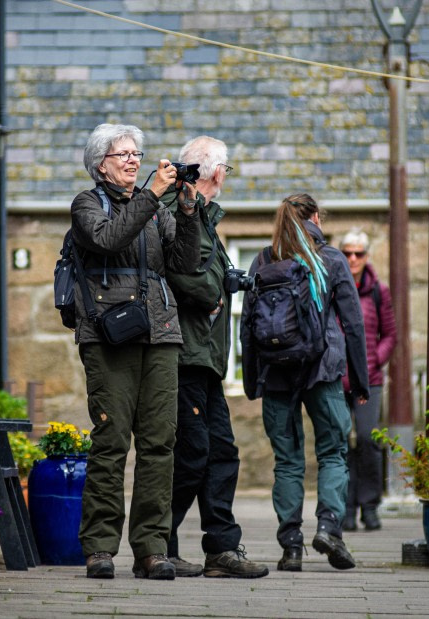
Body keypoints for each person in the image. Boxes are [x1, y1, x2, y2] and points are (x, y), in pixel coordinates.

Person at [71, 123, 201, 580]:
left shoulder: (155, 209)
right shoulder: (88, 204)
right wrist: (153, 196)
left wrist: (185, 209)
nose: (133, 160)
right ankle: (100, 548)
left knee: (160, 443)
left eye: (136, 153)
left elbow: (185, 264)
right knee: (110, 441)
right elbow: (108, 239)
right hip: (109, 334)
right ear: (100, 164)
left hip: (161, 332)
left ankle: (151, 547)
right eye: (123, 154)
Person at [240, 193, 370, 572]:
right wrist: (359, 382)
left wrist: (252, 381)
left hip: (276, 372)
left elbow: (247, 325)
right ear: (316, 217)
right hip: (323, 370)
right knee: (333, 452)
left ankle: (291, 547)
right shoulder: (330, 260)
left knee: (288, 461)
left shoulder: (263, 260)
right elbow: (354, 325)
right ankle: (329, 528)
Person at [162, 136, 269, 579]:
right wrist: (214, 292)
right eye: (226, 167)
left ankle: (222, 549)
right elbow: (188, 275)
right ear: (215, 170)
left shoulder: (204, 215)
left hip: (205, 357)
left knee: (222, 451)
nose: (226, 175)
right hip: (183, 354)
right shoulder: (176, 210)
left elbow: (212, 276)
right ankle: (157, 541)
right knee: (191, 453)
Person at [339, 229, 397, 532]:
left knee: (367, 439)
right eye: (347, 253)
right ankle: (346, 508)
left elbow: (390, 334)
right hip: (337, 379)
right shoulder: (334, 286)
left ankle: (370, 506)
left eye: (358, 253)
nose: (352, 259)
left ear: (366, 256)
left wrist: (374, 359)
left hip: (369, 381)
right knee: (340, 442)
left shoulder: (378, 291)